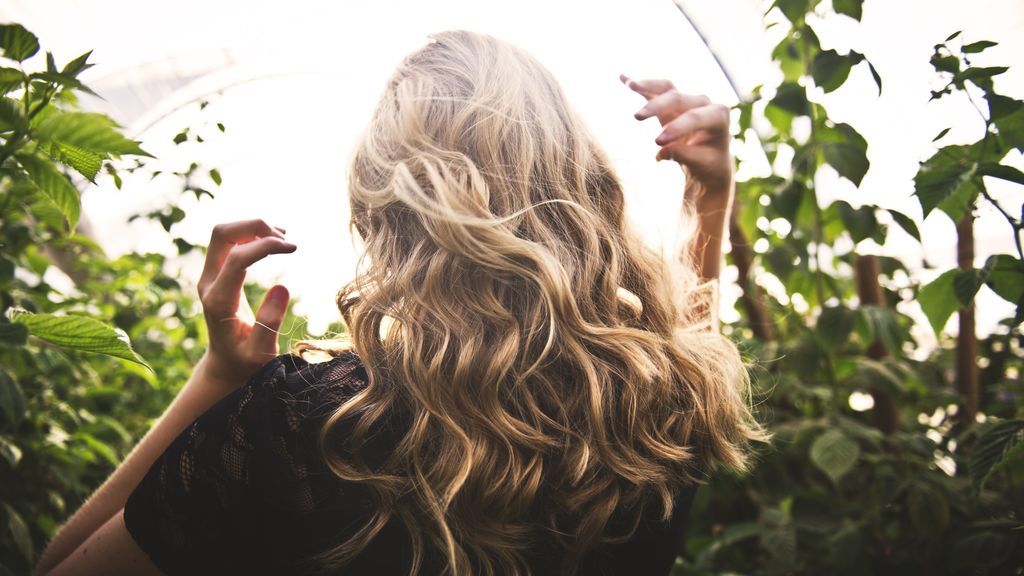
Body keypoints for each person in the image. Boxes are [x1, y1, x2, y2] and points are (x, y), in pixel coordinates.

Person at [35, 30, 763, 575]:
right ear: (579, 179)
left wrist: (219, 381)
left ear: (386, 206)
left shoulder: (306, 429)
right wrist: (708, 196)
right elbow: (687, 338)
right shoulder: (667, 405)